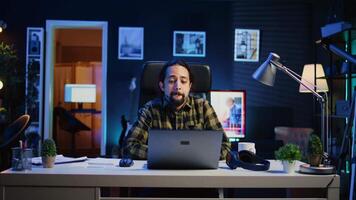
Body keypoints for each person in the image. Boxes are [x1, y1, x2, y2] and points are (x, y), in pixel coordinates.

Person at [124, 59, 231, 160]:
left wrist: (187, 155)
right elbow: (130, 146)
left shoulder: (203, 107)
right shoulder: (150, 110)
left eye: (183, 81)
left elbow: (224, 146)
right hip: (160, 175)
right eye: (171, 81)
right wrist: (169, 155)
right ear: (162, 86)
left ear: (189, 86)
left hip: (196, 175)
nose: (177, 86)